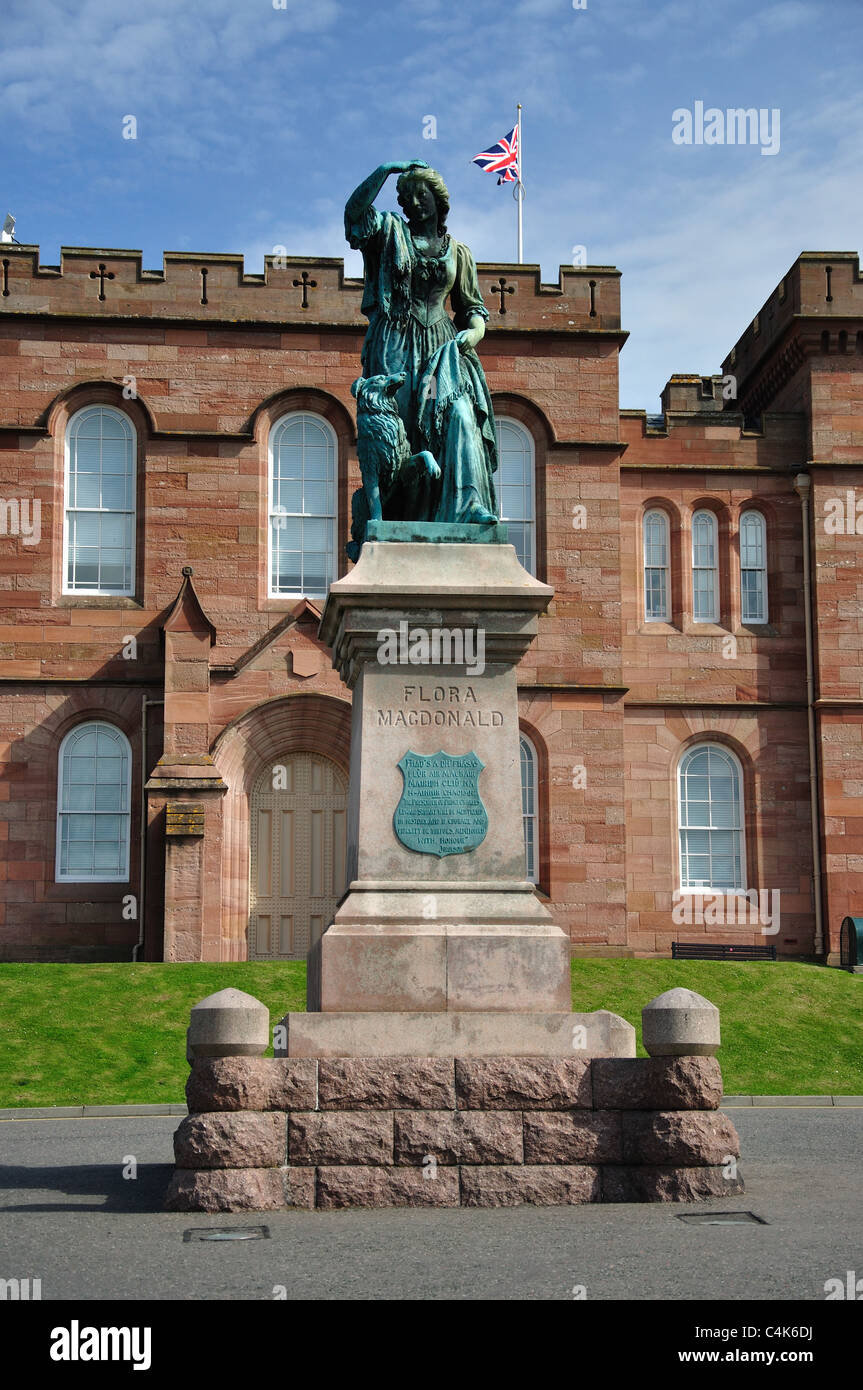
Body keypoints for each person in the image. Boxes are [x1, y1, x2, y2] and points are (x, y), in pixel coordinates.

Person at [345, 160, 498, 525]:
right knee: (397, 429)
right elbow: (354, 215)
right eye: (407, 196)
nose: (414, 202)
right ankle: (392, 517)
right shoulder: (388, 231)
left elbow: (471, 307)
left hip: (442, 350)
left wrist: (476, 331)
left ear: (438, 199)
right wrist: (385, 170)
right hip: (395, 345)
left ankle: (467, 506)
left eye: (422, 193)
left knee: (458, 414)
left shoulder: (458, 252)